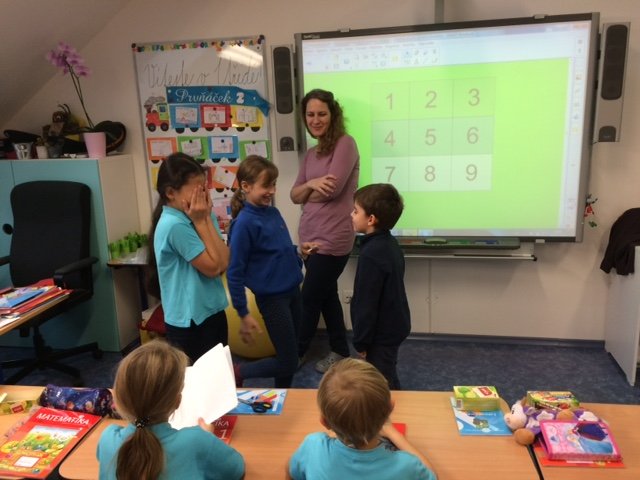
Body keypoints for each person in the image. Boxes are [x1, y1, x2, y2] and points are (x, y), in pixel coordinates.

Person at [97, 340, 245, 480]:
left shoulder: (107, 438)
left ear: (118, 399)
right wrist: (209, 438)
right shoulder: (197, 441)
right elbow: (236, 469)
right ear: (177, 401)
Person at [227, 155, 314, 388]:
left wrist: (299, 251)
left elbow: (279, 250)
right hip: (273, 300)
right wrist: (243, 313)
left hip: (293, 292)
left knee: (290, 355)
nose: (272, 191)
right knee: (288, 362)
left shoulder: (273, 213)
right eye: (266, 185)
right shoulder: (244, 223)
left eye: (274, 184)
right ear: (246, 186)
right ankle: (239, 371)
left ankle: (283, 396)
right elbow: (234, 272)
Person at [290, 88, 360, 373]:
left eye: (322, 114)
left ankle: (295, 353)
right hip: (309, 238)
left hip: (333, 239)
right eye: (310, 114)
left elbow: (332, 191)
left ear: (333, 115)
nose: (315, 120)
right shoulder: (311, 153)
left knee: (309, 298)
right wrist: (310, 185)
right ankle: (340, 349)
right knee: (327, 296)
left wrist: (308, 191)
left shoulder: (345, 144)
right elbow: (294, 195)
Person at [287, 358, 437, 480]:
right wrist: (392, 432)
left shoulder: (312, 447)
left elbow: (292, 472)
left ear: (324, 422)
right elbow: (431, 476)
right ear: (390, 407)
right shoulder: (406, 466)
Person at [146, 152, 230, 364]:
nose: (202, 195)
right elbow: (213, 268)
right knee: (195, 378)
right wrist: (202, 222)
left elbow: (224, 261)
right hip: (189, 321)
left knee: (220, 373)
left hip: (212, 309)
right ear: (170, 193)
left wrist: (205, 219)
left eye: (204, 188)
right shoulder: (174, 224)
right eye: (196, 190)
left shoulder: (202, 214)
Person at [350, 183, 410, 390]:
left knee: (380, 382)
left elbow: (366, 303)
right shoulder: (389, 244)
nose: (351, 215)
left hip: (380, 333)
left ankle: (391, 405)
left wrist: (361, 342)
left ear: (371, 219)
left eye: (355, 211)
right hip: (393, 326)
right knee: (387, 372)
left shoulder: (372, 254)